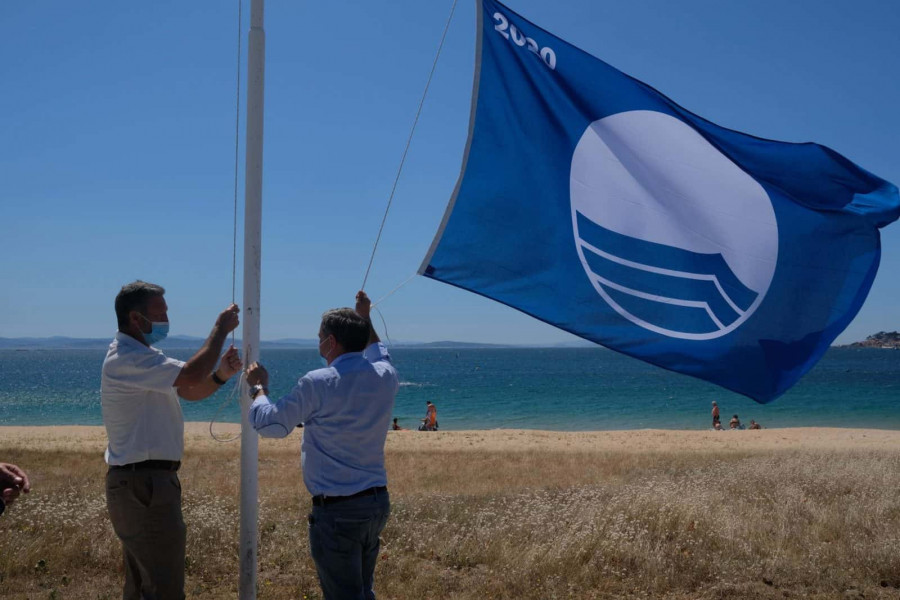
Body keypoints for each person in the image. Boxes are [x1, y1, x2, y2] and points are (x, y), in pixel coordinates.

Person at [247, 290, 398, 600]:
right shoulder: (386, 376)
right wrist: (365, 317)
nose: (318, 343)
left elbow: (272, 425)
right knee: (362, 591)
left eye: (320, 337)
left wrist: (258, 389)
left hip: (339, 509)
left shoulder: (318, 381)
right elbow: (378, 350)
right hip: (375, 503)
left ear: (330, 342)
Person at [101, 281, 241, 600]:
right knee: (162, 586)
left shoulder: (142, 357)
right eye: (160, 313)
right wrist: (220, 329)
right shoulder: (127, 358)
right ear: (136, 319)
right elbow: (191, 376)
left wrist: (220, 375)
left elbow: (189, 391)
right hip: (144, 483)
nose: (166, 319)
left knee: (143, 586)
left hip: (146, 482)